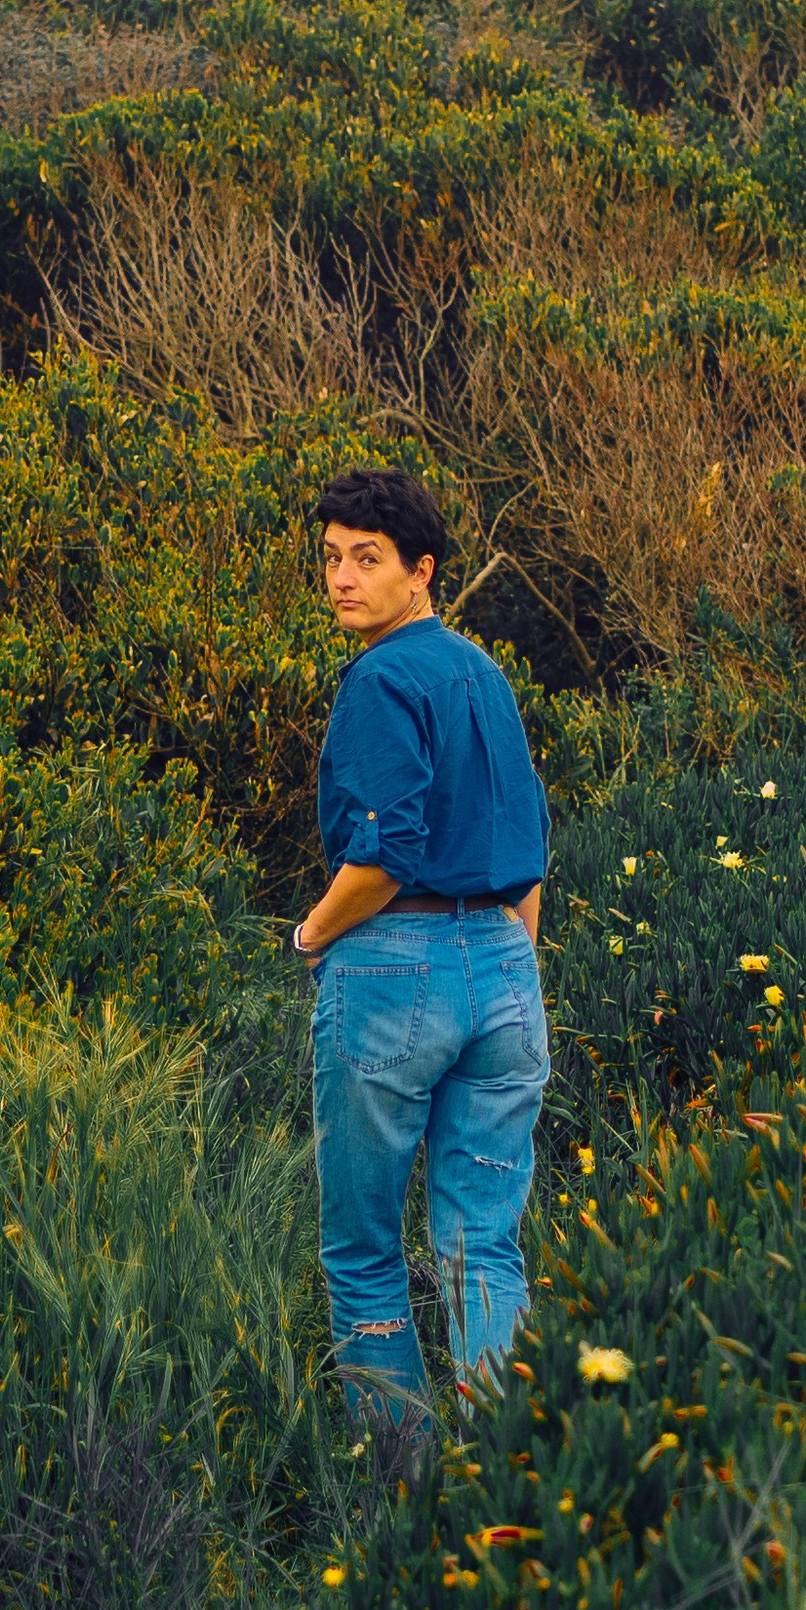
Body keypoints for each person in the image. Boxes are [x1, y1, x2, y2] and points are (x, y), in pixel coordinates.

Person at [291, 468, 551, 1425]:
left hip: (395, 968)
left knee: (362, 1251)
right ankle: (513, 1487)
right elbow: (528, 850)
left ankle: (404, 1507)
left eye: (369, 560)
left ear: (422, 571)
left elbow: (386, 854)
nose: (343, 580)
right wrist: (518, 971)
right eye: (331, 559)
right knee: (484, 1248)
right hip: (505, 971)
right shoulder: (484, 675)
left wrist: (314, 931)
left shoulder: (379, 679)